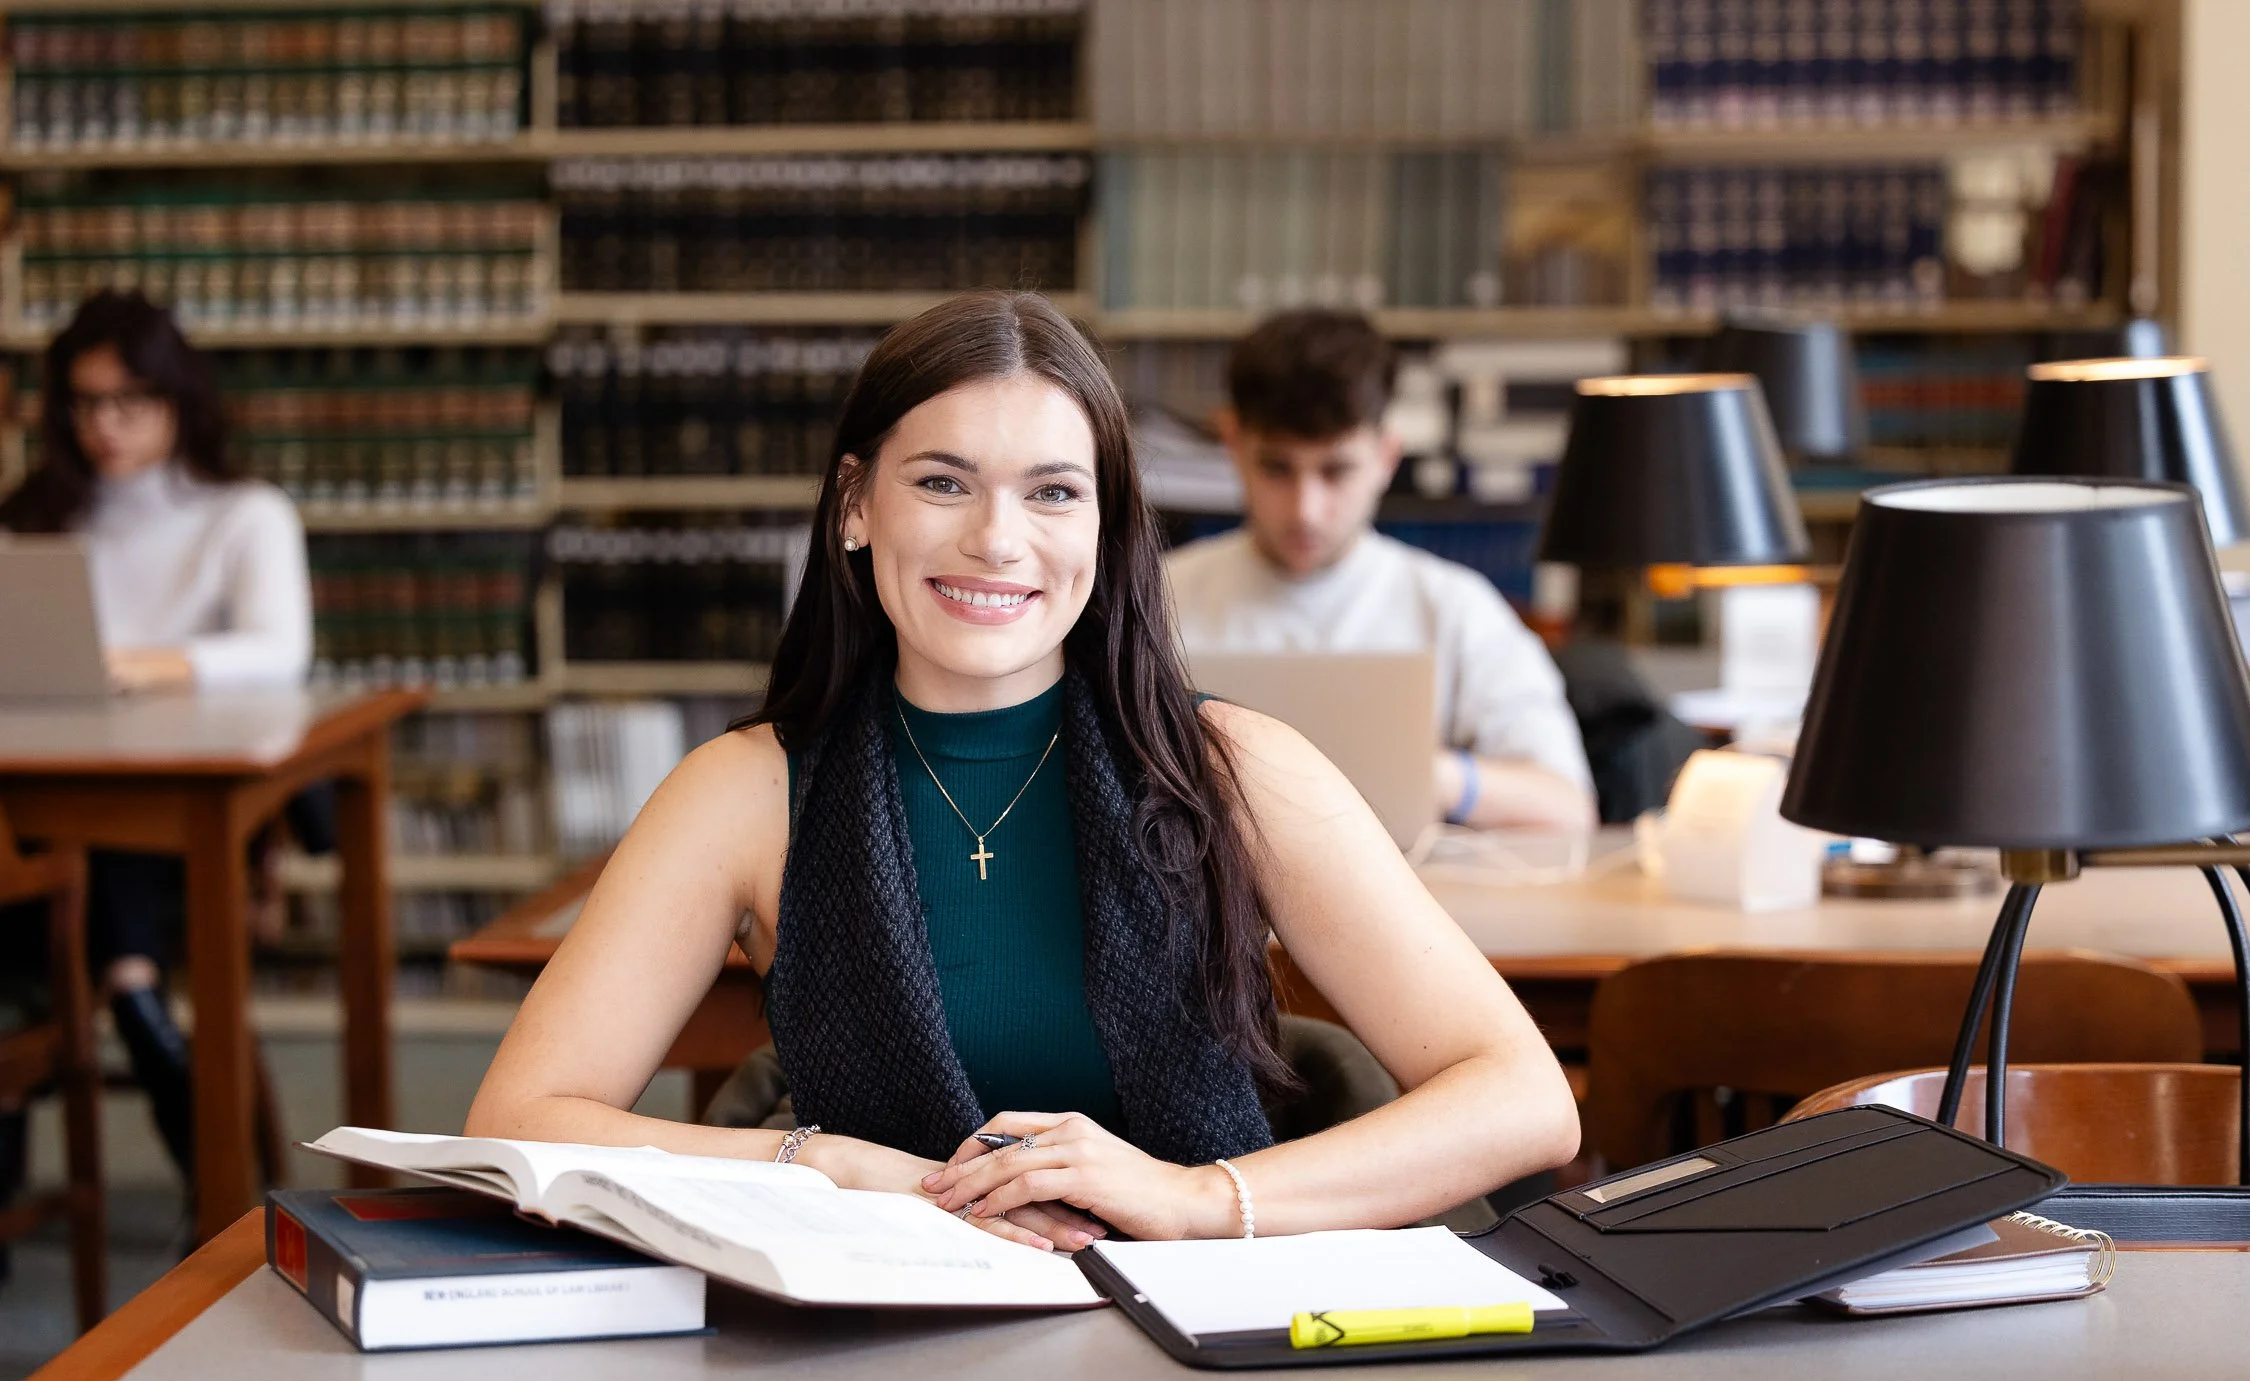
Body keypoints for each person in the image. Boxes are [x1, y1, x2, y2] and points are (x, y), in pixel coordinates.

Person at [467, 292, 1578, 1248]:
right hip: (873, 1343)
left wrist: (1189, 1199)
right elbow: (516, 1118)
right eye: (945, 483)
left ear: (1106, 525)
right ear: (856, 505)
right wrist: (840, 1169)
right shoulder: (745, 791)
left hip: (1197, 1345)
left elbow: (1524, 1101)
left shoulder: (1237, 770)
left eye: (1053, 491)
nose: (1000, 540)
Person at [0, 291, 313, 1186]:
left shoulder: (244, 515)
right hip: (48, 803)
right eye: (85, 402)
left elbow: (279, 652)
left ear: (178, 399)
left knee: (101, 848)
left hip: (183, 813)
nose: (107, 425)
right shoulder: (35, 517)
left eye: (130, 401)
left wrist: (143, 665)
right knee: (62, 848)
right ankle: (131, 995)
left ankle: (121, 1001)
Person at [1164, 309, 1597, 833]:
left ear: (1386, 457)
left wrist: (1428, 777)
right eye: (1276, 468)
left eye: (1336, 470)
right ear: (1232, 444)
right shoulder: (1157, 597)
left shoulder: (1454, 607)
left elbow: (1568, 807)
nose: (1306, 509)